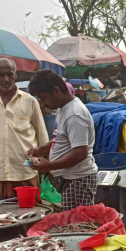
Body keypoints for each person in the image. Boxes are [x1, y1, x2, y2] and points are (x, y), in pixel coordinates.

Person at [0, 58, 49, 200]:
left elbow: (42, 136)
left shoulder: (29, 101)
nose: (6, 79)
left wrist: (47, 165)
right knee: (6, 217)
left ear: (16, 75)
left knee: (31, 215)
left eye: (10, 74)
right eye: (0, 75)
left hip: (27, 169)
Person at [27, 70, 99, 211]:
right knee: (70, 222)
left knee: (78, 226)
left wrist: (49, 165)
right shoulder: (63, 109)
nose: (42, 103)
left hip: (78, 180)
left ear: (56, 90)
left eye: (43, 98)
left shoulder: (75, 114)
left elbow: (80, 152)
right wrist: (41, 149)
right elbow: (61, 138)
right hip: (70, 180)